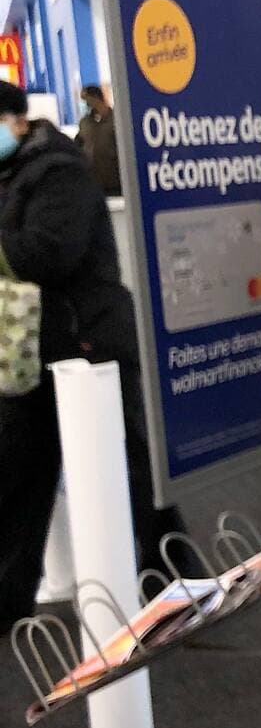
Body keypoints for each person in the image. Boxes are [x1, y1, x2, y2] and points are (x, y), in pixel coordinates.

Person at [0, 80, 182, 631]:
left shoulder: (58, 170)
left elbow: (48, 253)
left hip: (89, 343)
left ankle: (169, 582)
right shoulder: (14, 174)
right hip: (31, 353)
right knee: (16, 475)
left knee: (128, 468)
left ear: (14, 121)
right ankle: (8, 603)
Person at [74, 85, 121, 196]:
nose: (85, 104)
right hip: (94, 183)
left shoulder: (116, 120)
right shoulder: (85, 123)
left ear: (95, 97)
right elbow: (78, 145)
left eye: (86, 99)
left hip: (114, 182)